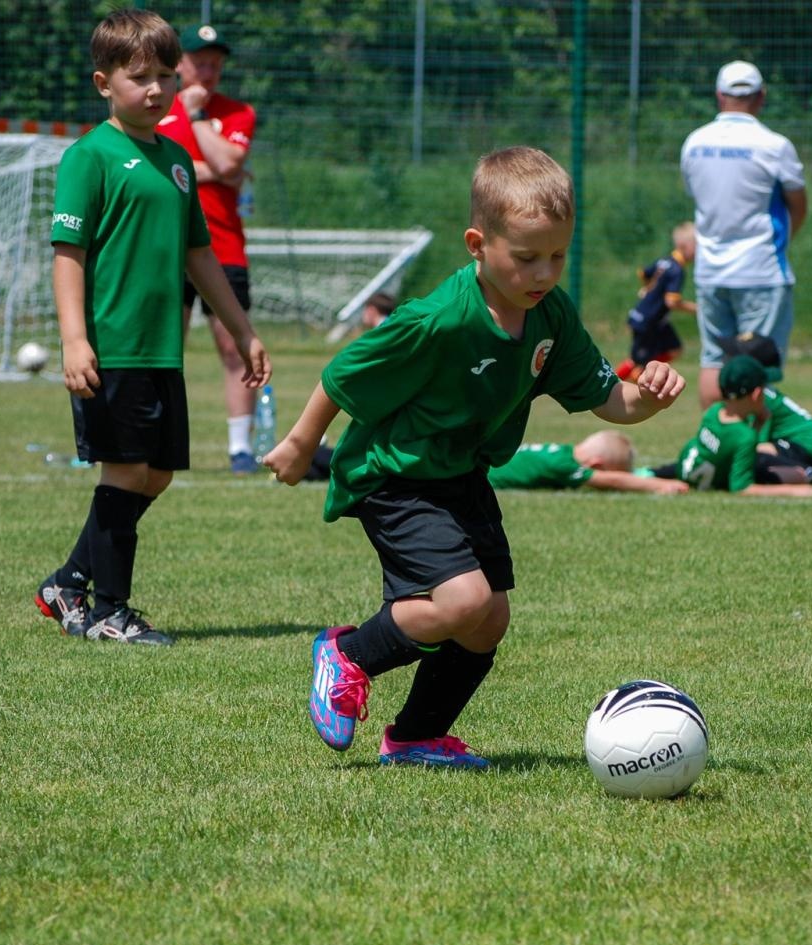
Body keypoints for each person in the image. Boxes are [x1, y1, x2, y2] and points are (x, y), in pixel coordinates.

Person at [263, 147, 686, 768]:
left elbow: (609, 400)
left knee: (487, 620)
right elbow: (345, 370)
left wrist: (647, 396)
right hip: (396, 473)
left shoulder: (551, 315)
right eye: (526, 257)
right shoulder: (439, 319)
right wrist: (302, 443)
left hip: (463, 474)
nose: (544, 273)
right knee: (461, 601)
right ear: (477, 244)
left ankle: (414, 737)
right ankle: (349, 655)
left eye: (558, 256)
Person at [34, 9, 269, 645]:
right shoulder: (91, 156)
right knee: (125, 471)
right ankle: (109, 610)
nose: (156, 88)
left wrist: (242, 331)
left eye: (166, 74)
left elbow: (200, 256)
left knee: (156, 473)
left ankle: (67, 582)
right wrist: (75, 339)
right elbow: (68, 254)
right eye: (139, 76)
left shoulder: (176, 161)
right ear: (103, 82)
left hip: (162, 348)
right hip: (112, 345)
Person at [155, 24, 261, 475]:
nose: (209, 70)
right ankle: (155, 440)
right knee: (162, 348)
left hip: (223, 248)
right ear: (178, 64)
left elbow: (228, 163)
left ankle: (240, 449)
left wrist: (199, 121)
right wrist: (213, 171)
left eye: (216, 63)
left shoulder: (238, 112)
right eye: (200, 61)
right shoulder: (154, 107)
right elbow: (151, 168)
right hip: (164, 248)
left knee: (235, 346)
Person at [680, 60, 807, 409]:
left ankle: (715, 438)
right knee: (759, 363)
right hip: (761, 270)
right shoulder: (775, 145)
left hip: (710, 271)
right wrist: (781, 244)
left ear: (719, 96)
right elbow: (798, 204)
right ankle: (753, 447)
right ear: (761, 96)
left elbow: (698, 197)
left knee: (712, 358)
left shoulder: (694, 143)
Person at [666, 354, 812, 498]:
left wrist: (759, 423)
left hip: (686, 470)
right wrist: (794, 491)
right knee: (796, 476)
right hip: (710, 480)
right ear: (757, 394)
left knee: (792, 474)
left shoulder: (713, 412)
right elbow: (741, 487)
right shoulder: (745, 436)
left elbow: (742, 450)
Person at [616, 222, 697, 383]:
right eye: (698, 246)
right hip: (647, 321)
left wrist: (648, 287)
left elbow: (643, 272)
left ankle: (642, 373)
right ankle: (608, 384)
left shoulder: (664, 260)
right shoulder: (677, 270)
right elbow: (671, 302)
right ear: (684, 245)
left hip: (655, 320)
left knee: (674, 349)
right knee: (636, 361)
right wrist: (697, 309)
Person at [487, 431, 690, 494]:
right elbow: (614, 482)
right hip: (487, 479)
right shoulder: (563, 465)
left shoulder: (563, 452)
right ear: (596, 465)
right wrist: (662, 485)